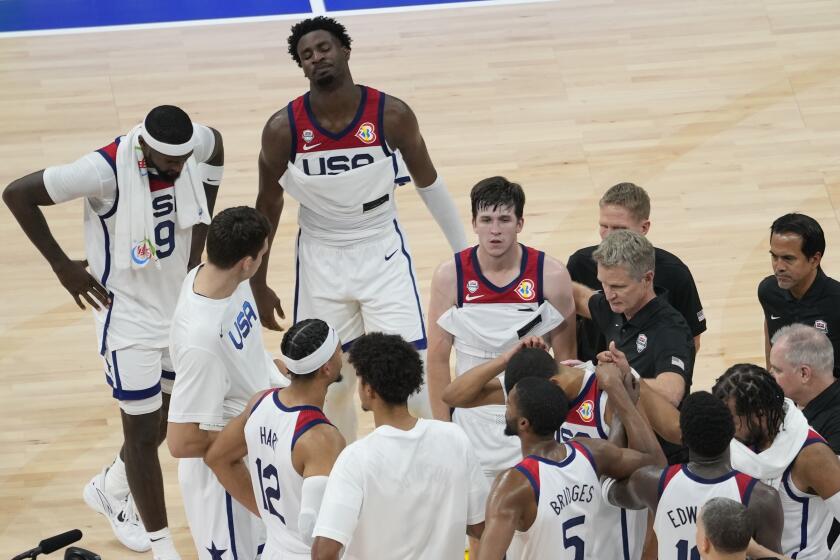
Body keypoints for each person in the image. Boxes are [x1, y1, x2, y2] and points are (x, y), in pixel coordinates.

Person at [3, 105, 223, 559]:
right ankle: (163, 547)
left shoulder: (186, 146)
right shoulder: (101, 169)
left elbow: (215, 141)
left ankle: (110, 486)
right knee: (143, 433)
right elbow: (16, 193)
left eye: (184, 159)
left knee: (166, 418)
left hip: (175, 305)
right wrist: (62, 266)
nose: (180, 167)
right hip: (128, 320)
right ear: (144, 146)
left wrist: (201, 229)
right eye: (170, 161)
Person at [252, 16, 469, 440]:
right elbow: (268, 205)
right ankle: (338, 474)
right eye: (307, 55)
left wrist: (464, 257)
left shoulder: (392, 115)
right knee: (331, 388)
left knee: (411, 377)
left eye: (324, 48)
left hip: (380, 249)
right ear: (302, 67)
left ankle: (428, 466)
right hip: (320, 256)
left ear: (345, 51)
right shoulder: (283, 129)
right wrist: (257, 282)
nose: (317, 58)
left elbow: (429, 184)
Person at [426, 176, 575, 486]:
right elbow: (438, 359)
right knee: (478, 528)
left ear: (520, 223)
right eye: (487, 219)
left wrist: (562, 429)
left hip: (531, 418)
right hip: (470, 413)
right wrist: (444, 430)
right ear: (474, 223)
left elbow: (567, 361)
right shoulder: (449, 276)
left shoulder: (552, 275)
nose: (495, 230)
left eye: (504, 219)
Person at [167, 206, 288, 560]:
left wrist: (277, 376)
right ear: (246, 263)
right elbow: (180, 440)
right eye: (262, 255)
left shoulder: (215, 276)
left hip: (253, 449)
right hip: (222, 474)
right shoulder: (201, 341)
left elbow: (243, 352)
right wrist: (257, 434)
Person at [311, 332, 488, 559]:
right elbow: (480, 527)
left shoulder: (356, 458)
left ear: (369, 389)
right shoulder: (455, 438)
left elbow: (324, 551)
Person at [477, 365, 666, 559]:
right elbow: (656, 462)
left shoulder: (513, 484)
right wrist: (623, 401)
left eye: (508, 405)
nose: (506, 409)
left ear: (523, 423)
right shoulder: (589, 453)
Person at [205, 319, 345, 560]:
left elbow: (218, 458)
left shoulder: (259, 403)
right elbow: (323, 539)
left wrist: (268, 515)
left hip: (274, 549)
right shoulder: (322, 439)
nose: (342, 353)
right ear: (327, 369)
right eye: (338, 349)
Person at [608, 391, 784, 557]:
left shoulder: (652, 482)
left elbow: (606, 485)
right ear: (732, 432)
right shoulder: (761, 498)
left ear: (682, 438)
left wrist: (619, 410)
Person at [713, 364, 840, 558]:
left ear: (761, 414)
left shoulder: (813, 457)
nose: (728, 429)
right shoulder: (737, 440)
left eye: (735, 422)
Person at [567, 182, 705, 361]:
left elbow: (692, 340)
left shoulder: (675, 274)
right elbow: (566, 322)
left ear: (644, 228)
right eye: (604, 226)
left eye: (619, 228)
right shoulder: (581, 263)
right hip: (590, 376)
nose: (608, 235)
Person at [572, 229, 694, 408]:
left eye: (618, 286)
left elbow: (671, 393)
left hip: (653, 434)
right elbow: (579, 296)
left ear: (647, 278)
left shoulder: (669, 330)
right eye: (603, 283)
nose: (609, 295)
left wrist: (621, 378)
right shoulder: (616, 307)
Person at [759, 213, 840, 377]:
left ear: (814, 259)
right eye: (774, 256)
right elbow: (770, 329)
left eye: (788, 258)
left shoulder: (837, 300)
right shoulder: (768, 291)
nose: (778, 267)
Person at [770, 324, 840, 453]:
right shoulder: (795, 398)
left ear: (804, 373)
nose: (770, 375)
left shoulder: (835, 430)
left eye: (777, 370)